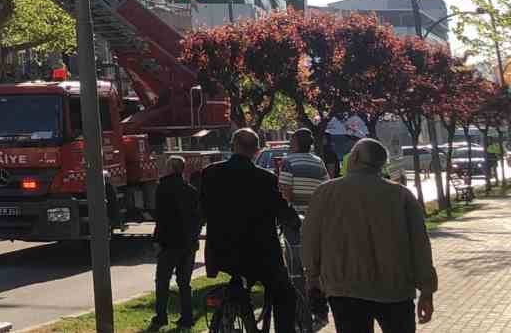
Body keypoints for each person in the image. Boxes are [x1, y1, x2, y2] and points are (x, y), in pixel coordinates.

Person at [303, 138, 437, 332]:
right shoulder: (401, 195)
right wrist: (426, 290)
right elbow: (420, 246)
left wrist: (312, 276)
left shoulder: (325, 193)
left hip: (345, 289)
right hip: (395, 289)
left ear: (354, 157)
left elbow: (310, 240)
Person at [201, 128, 301, 330]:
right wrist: (295, 221)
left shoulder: (210, 173)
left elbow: (201, 209)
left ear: (233, 146)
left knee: (237, 280)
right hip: (260, 255)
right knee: (286, 295)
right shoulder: (266, 178)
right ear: (256, 150)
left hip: (221, 252)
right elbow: (281, 209)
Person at [152, 156, 202, 328]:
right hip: (188, 244)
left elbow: (161, 217)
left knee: (162, 280)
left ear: (171, 168)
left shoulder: (163, 188)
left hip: (169, 243)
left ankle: (161, 316)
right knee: (184, 282)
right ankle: (187, 316)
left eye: (167, 166)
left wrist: (157, 240)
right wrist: (194, 238)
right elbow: (198, 218)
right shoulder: (191, 191)